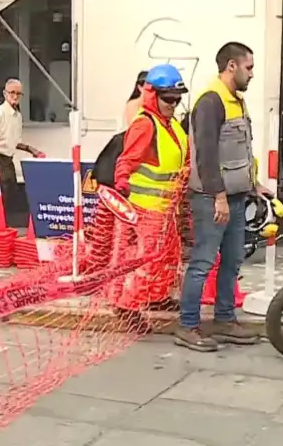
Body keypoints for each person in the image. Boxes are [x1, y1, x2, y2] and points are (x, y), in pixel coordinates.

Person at [175, 42, 272, 352]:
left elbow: (239, 150)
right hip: (211, 198)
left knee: (232, 260)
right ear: (232, 66)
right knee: (203, 261)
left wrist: (254, 185)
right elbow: (205, 155)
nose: (252, 74)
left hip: (236, 196)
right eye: (249, 67)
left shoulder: (236, 101)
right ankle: (187, 325)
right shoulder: (210, 101)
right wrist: (218, 197)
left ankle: (224, 319)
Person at [108, 63, 189, 325]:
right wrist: (122, 183)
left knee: (168, 256)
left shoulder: (170, 124)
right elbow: (126, 161)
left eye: (177, 99)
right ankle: (127, 307)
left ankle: (157, 296)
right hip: (145, 208)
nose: (173, 104)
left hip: (165, 207)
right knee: (146, 259)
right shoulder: (146, 124)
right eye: (168, 99)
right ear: (152, 94)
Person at [0, 78, 43, 221]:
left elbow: (13, 141)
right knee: (1, 191)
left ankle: (1, 221)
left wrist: (30, 149)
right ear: (5, 94)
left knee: (11, 191)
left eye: (18, 93)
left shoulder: (17, 116)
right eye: (12, 92)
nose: (15, 96)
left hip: (7, 158)